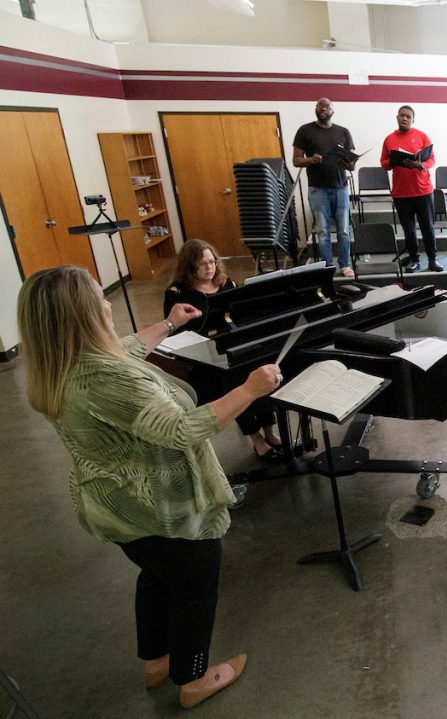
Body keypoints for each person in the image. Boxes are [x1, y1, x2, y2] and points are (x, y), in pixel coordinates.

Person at [17, 265, 282, 709]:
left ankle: (155, 661)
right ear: (82, 315)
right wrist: (250, 390)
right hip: (164, 506)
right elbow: (182, 429)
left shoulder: (62, 365)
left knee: (158, 577)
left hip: (119, 508)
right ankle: (191, 679)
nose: (107, 304)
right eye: (98, 298)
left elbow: (123, 350)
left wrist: (169, 324)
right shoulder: (106, 381)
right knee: (196, 585)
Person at [164, 239, 283, 460]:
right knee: (235, 383)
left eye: (212, 262)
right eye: (203, 264)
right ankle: (256, 438)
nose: (210, 268)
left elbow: (244, 314)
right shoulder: (177, 293)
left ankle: (270, 430)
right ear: (190, 266)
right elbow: (174, 331)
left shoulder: (227, 283)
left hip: (237, 346)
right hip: (206, 359)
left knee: (261, 370)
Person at [292, 97, 357, 276]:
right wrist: (311, 160)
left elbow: (351, 164)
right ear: (316, 109)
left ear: (332, 110)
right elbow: (296, 160)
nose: (324, 109)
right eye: (321, 106)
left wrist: (350, 164)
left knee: (344, 230)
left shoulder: (343, 132)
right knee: (323, 231)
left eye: (328, 106)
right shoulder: (305, 131)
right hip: (317, 189)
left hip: (341, 187)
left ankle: (345, 265)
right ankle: (327, 266)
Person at [380, 105, 441, 272]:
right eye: (402, 115)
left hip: (423, 190)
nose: (404, 118)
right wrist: (394, 161)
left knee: (427, 226)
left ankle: (432, 260)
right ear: (397, 117)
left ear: (413, 120)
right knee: (409, 228)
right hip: (401, 192)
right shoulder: (389, 139)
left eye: (408, 116)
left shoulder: (422, 136)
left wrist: (420, 164)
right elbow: (384, 164)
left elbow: (432, 160)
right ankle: (414, 259)